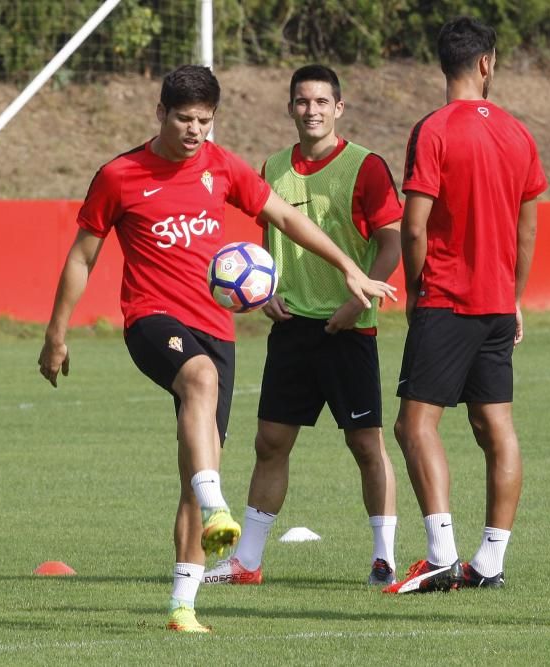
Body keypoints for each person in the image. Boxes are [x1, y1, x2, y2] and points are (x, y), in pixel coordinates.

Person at [37, 64, 395, 633]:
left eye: (205, 120)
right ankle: (216, 503)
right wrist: (57, 332)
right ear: (160, 113)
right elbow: (84, 255)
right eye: (184, 119)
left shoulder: (222, 166)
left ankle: (183, 605)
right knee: (199, 381)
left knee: (194, 463)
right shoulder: (121, 175)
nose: (195, 130)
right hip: (152, 321)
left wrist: (349, 267)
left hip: (217, 330)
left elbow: (282, 216)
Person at [202, 65, 402, 588]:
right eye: (301, 101)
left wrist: (357, 303)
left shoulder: (366, 167)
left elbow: (392, 242)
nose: (311, 110)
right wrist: (264, 294)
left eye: (321, 102)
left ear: (339, 108)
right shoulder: (271, 167)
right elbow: (269, 242)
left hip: (348, 330)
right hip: (292, 330)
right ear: (290, 108)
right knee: (270, 442)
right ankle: (246, 563)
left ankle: (384, 558)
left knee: (365, 444)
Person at [384, 17, 547, 594]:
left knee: (414, 424)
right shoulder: (519, 133)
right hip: (499, 304)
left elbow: (414, 226)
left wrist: (416, 288)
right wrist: (515, 295)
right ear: (486, 64)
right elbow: (529, 231)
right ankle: (492, 563)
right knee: (495, 425)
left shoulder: (433, 130)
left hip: (448, 297)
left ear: (445, 64)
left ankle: (442, 554)